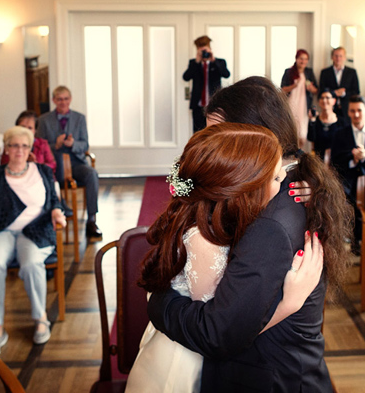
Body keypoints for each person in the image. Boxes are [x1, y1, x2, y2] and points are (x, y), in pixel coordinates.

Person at [149, 76, 353, 392]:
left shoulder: (273, 220)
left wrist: (158, 303)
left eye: (218, 133)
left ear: (254, 135)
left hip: (269, 377)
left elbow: (219, 333)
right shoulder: (283, 182)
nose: (207, 142)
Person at [127, 122, 324, 392]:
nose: (283, 183)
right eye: (276, 178)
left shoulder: (220, 215)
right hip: (186, 362)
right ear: (242, 186)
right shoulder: (203, 239)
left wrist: (315, 186)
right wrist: (288, 304)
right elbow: (220, 333)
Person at [0, 126, 66, 356]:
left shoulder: (42, 171)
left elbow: (54, 200)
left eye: (24, 146)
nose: (19, 150)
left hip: (36, 230)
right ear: (6, 148)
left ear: (30, 149)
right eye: (14, 145)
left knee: (32, 263)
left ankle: (40, 318)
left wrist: (57, 212)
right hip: (1, 230)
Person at [36, 86, 102, 240]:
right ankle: (58, 209)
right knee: (46, 176)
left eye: (66, 99)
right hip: (54, 164)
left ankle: (92, 219)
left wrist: (73, 144)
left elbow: (85, 145)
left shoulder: (80, 118)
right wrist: (56, 145)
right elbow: (39, 146)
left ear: (70, 99)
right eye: (59, 99)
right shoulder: (44, 120)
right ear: (54, 100)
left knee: (92, 174)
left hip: (76, 162)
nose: (63, 102)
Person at [330, 95, 365, 201]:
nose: (356, 114)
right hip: (345, 183)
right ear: (348, 112)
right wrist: (352, 160)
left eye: (359, 110)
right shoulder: (339, 134)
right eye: (352, 111)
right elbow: (334, 162)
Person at [182, 35, 231, 133]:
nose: (204, 53)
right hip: (198, 105)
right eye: (201, 50)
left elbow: (226, 74)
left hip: (214, 104)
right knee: (198, 132)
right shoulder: (193, 63)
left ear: (210, 49)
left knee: (215, 132)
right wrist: (197, 61)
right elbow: (186, 77)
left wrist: (214, 61)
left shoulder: (219, 62)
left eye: (205, 50)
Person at [0, 110, 57, 176]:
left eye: (30, 128)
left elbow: (52, 165)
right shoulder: (10, 144)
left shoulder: (42, 143)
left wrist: (35, 164)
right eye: (22, 127)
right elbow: (4, 165)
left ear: (35, 130)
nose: (26, 131)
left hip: (39, 177)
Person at [280, 49, 318, 147]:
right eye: (301, 58)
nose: (303, 61)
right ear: (296, 59)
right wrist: (294, 86)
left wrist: (310, 88)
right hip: (291, 103)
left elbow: (316, 90)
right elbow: (282, 90)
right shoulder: (289, 72)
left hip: (304, 105)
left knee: (302, 133)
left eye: (305, 59)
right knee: (292, 129)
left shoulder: (309, 72)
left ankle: (300, 150)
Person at [319, 46, 360, 119]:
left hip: (347, 109)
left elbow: (356, 92)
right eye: (336, 56)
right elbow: (321, 91)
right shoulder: (325, 72)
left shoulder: (352, 72)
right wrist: (334, 93)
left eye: (340, 56)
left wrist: (344, 93)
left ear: (344, 57)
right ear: (332, 57)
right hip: (330, 109)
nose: (338, 58)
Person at [306, 89, 346, 161]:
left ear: (334, 101)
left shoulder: (341, 121)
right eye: (322, 98)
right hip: (319, 160)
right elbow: (311, 138)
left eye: (327, 98)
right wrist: (312, 120)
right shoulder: (315, 120)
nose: (324, 100)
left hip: (337, 160)